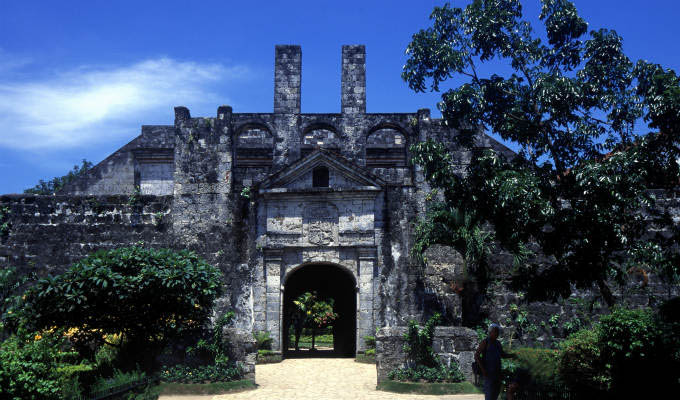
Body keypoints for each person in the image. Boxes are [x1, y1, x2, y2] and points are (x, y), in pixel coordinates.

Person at [474, 323, 515, 400]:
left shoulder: (498, 343)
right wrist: (483, 370)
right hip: (488, 374)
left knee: (495, 394)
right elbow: (476, 356)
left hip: (497, 374)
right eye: (495, 332)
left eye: (498, 332)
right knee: (489, 395)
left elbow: (502, 355)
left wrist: (513, 355)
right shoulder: (485, 342)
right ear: (490, 332)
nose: (497, 334)